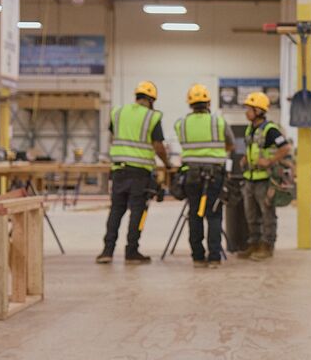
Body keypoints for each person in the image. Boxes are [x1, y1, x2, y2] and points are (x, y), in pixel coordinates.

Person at [98, 80, 170, 265]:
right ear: (152, 100)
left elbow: (114, 136)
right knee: (137, 212)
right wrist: (167, 164)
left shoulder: (118, 112)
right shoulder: (151, 117)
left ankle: (107, 251)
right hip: (140, 173)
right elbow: (158, 146)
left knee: (116, 211)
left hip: (119, 170)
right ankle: (131, 251)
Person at [175, 83, 234, 268]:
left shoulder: (181, 123)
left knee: (195, 215)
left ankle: (198, 257)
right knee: (214, 215)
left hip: (191, 175)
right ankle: (214, 257)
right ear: (208, 103)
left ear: (190, 104)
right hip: (214, 174)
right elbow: (230, 144)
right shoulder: (218, 121)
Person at [241, 91, 291, 261]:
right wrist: (244, 159)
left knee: (267, 214)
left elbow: (285, 148)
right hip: (250, 178)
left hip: (265, 179)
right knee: (251, 215)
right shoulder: (250, 129)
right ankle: (254, 244)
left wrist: (270, 161)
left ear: (259, 111)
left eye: (249, 108)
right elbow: (252, 149)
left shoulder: (271, 130)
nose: (246, 112)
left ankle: (267, 246)